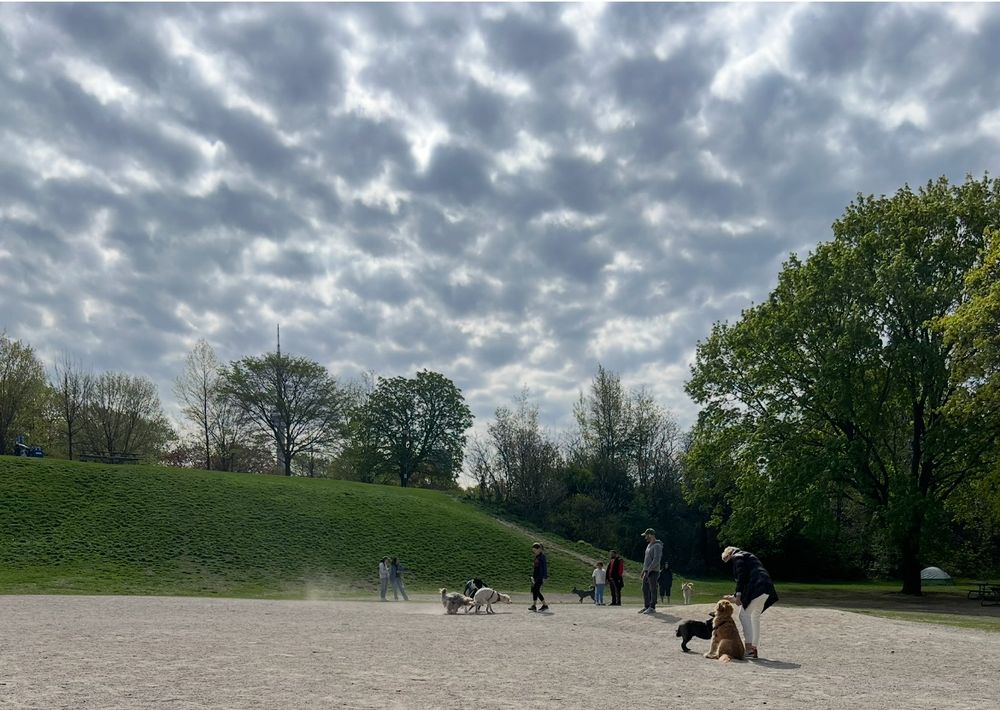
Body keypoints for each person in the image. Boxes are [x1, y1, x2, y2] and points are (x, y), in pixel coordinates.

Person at [721, 546, 779, 660]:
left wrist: (738, 595)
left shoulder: (737, 557)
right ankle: (754, 648)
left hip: (757, 588)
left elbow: (742, 576)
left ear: (729, 555)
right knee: (754, 617)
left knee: (743, 615)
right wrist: (734, 596)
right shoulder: (748, 556)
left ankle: (749, 649)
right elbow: (749, 578)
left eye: (728, 560)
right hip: (767, 588)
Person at [639, 528, 662, 615]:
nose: (645, 538)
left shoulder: (657, 546)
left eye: (646, 536)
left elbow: (656, 560)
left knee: (653, 589)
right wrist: (643, 570)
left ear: (650, 535)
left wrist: (649, 569)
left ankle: (652, 607)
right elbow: (646, 560)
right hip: (647, 571)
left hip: (653, 571)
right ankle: (647, 606)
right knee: (644, 588)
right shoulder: (648, 545)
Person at [528, 542, 548, 612]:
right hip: (536, 576)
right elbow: (536, 567)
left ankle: (541, 605)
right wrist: (533, 576)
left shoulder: (542, 557)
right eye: (533, 551)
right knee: (535, 590)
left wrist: (545, 577)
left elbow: (545, 567)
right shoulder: (537, 557)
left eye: (535, 550)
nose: (534, 552)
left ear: (539, 549)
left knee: (535, 590)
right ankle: (539, 605)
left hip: (540, 576)